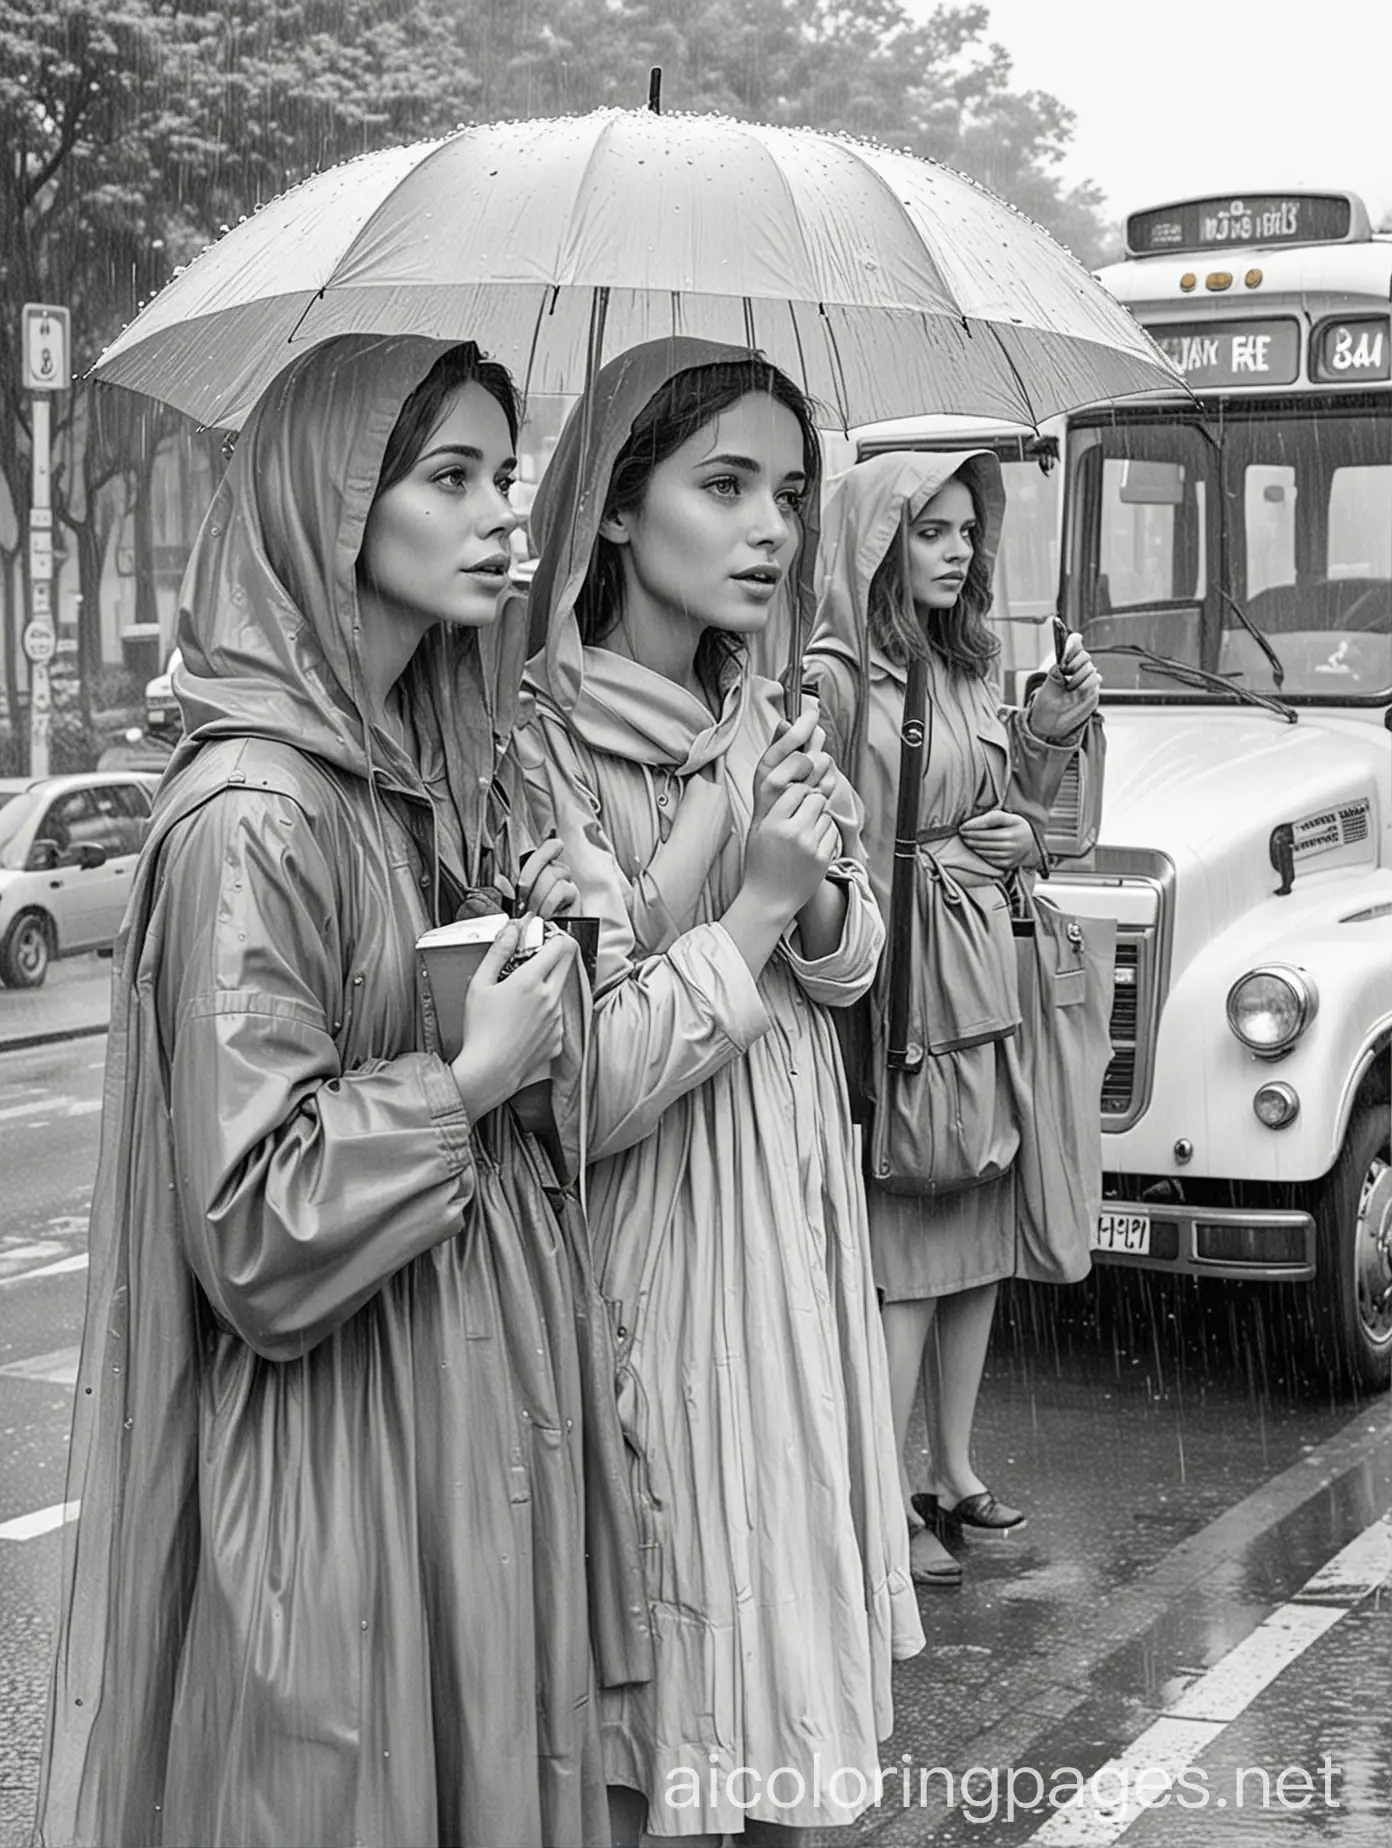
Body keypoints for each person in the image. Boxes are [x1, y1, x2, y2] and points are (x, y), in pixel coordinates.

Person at [33, 334, 649, 1848]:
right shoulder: (257, 811)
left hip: (457, 1433)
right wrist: (465, 1076)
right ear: (333, 507)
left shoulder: (410, 776)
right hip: (341, 1466)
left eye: (506, 473)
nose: (506, 511)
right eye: (450, 476)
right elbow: (251, 1226)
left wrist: (546, 933)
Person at [517, 337, 924, 1847]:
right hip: (658, 1267)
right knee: (674, 1690)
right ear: (618, 511)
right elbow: (586, 1091)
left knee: (787, 1673)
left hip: (793, 1232)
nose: (772, 528)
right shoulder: (537, 752)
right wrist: (751, 904)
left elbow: (849, 974)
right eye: (726, 484)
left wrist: (813, 898)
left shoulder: (769, 707)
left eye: (794, 494)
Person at [806, 449, 1102, 1589]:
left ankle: (952, 1471)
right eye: (930, 531)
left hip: (981, 983)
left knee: (975, 1243)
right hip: (901, 987)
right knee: (912, 1250)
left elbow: (1015, 816)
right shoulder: (836, 678)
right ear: (880, 542)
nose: (957, 550)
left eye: (967, 532)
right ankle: (882, 1503)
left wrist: (1045, 757)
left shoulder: (972, 664)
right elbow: (813, 834)